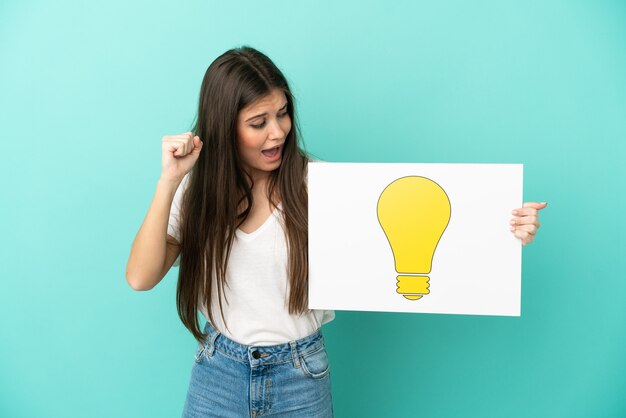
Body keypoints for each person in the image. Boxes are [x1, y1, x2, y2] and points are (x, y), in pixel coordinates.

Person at [125, 46, 547, 418]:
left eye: (283, 113)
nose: (278, 132)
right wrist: (169, 180)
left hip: (299, 375)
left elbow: (421, 220)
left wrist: (503, 229)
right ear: (223, 127)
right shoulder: (197, 192)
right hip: (218, 371)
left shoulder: (322, 187)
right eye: (259, 122)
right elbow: (140, 277)